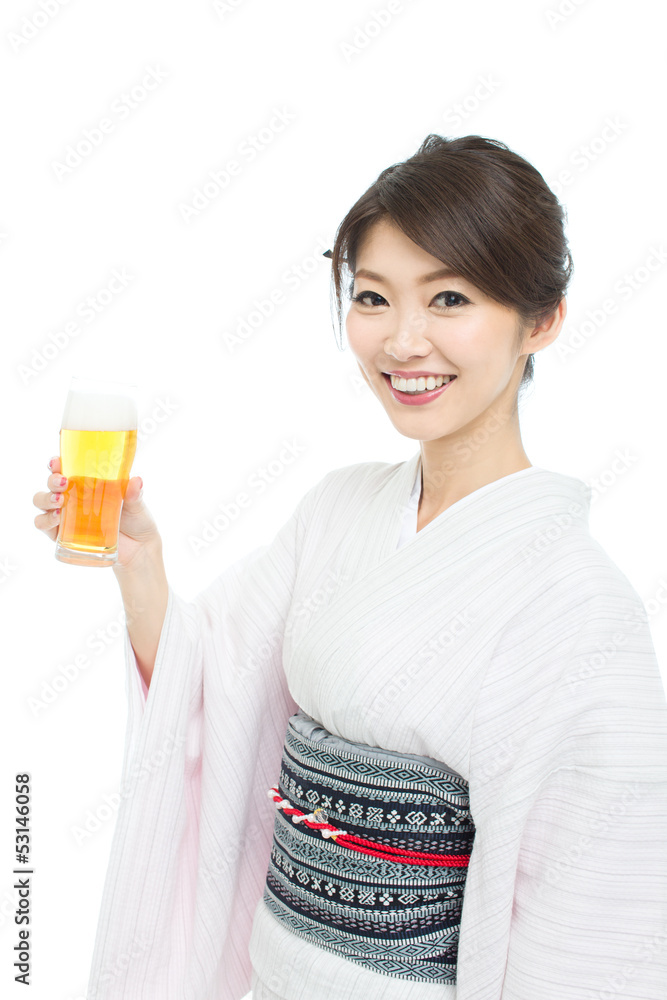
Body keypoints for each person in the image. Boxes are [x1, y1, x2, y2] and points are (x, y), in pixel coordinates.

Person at [34, 134, 667, 1000]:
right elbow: (215, 683)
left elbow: (591, 930)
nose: (403, 341)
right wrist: (138, 566)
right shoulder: (339, 510)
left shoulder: (579, 604)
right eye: (371, 298)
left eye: (448, 298)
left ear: (542, 319)